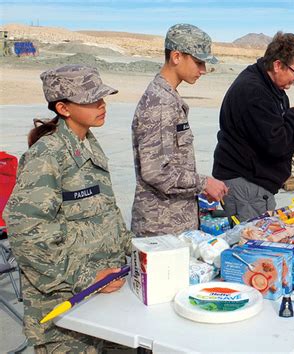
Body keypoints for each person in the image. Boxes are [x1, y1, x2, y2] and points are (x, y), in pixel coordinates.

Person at [4, 65, 132, 353]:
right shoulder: (46, 156)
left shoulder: (89, 145)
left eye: (102, 97)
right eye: (91, 100)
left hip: (104, 294)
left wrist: (134, 248)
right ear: (63, 108)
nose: (102, 104)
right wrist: (86, 278)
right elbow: (27, 234)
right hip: (65, 311)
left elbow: (106, 213)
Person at [212, 31, 294, 221]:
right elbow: (278, 144)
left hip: (254, 186)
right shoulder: (254, 91)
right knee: (251, 244)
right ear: (278, 65)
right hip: (246, 187)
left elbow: (279, 130)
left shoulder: (272, 87)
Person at [131, 24, 228, 237]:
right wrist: (204, 183)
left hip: (174, 224)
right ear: (176, 57)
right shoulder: (160, 103)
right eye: (198, 62)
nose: (202, 70)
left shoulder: (169, 97)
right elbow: (155, 170)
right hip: (161, 230)